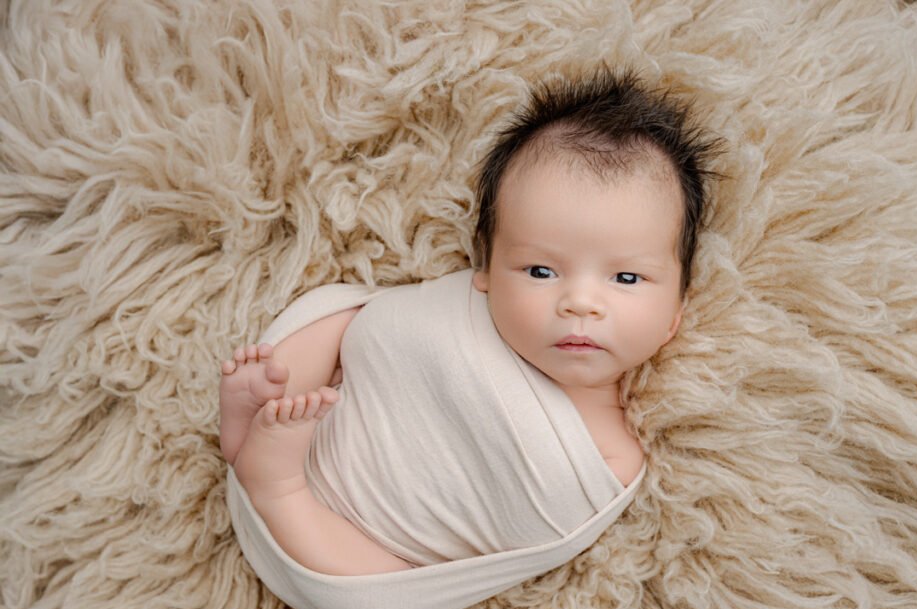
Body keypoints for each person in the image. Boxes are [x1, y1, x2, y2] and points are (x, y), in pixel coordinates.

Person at [218, 67, 718, 578]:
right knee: (351, 321)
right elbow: (378, 340)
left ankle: (274, 486)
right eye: (541, 271)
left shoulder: (616, 462)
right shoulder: (461, 314)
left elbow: (510, 555)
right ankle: (257, 416)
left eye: (627, 278)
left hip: (355, 541)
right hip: (328, 426)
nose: (580, 303)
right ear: (485, 269)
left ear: (676, 312)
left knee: (379, 608)